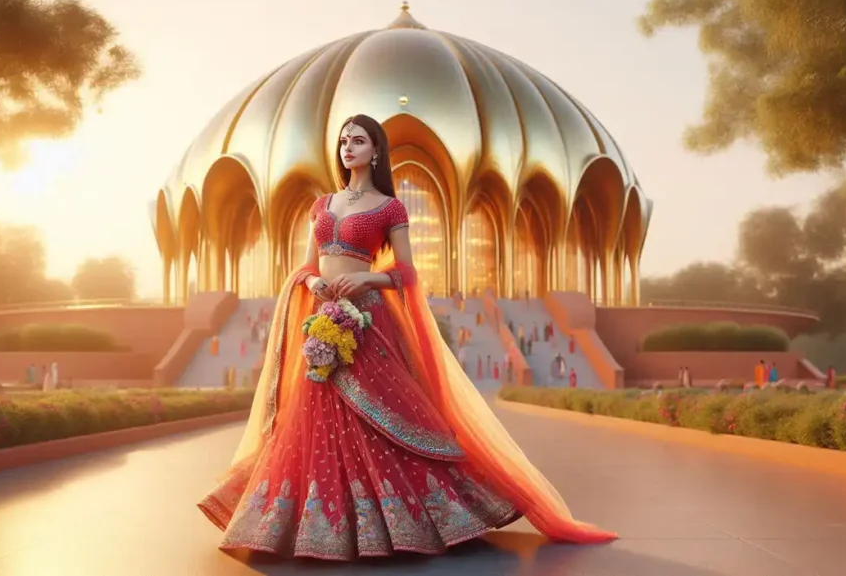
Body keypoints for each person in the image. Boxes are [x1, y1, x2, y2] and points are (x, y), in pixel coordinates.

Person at [198, 114, 615, 561]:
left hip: (366, 319)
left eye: (359, 140)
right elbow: (306, 266)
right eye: (344, 140)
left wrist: (367, 281)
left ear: (376, 151)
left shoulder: (389, 207)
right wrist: (313, 283)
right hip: (322, 317)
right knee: (315, 417)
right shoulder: (322, 205)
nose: (349, 147)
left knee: (385, 415)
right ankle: (314, 523)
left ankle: (406, 521)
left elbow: (407, 271)